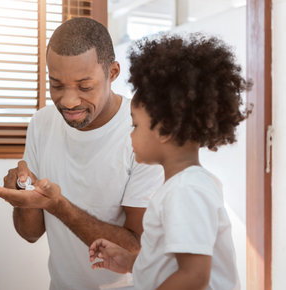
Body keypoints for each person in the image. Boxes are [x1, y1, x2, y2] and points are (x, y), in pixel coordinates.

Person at [0, 17, 164, 290]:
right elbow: (31, 233)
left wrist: (58, 205)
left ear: (112, 73)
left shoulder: (143, 129)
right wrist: (23, 197)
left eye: (84, 87)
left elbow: (136, 248)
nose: (68, 101)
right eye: (57, 85)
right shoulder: (42, 123)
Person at [89, 33, 252, 290]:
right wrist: (133, 262)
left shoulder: (186, 191)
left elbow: (194, 276)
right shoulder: (184, 186)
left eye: (135, 125)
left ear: (165, 131)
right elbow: (172, 263)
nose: (130, 135)